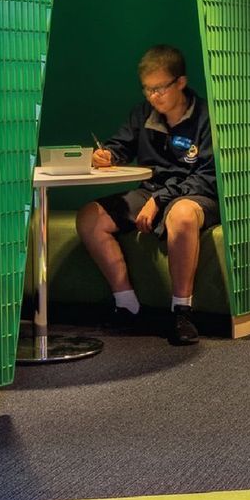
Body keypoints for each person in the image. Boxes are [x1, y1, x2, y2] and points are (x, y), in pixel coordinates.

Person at [76, 44, 218, 346]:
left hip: (194, 192)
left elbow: (207, 176)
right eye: (147, 90)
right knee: (90, 217)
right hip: (151, 190)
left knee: (181, 215)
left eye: (160, 89)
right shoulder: (143, 114)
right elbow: (122, 146)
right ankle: (127, 305)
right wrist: (107, 155)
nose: (153, 97)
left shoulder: (207, 117)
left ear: (181, 82)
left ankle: (182, 311)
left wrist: (160, 200)